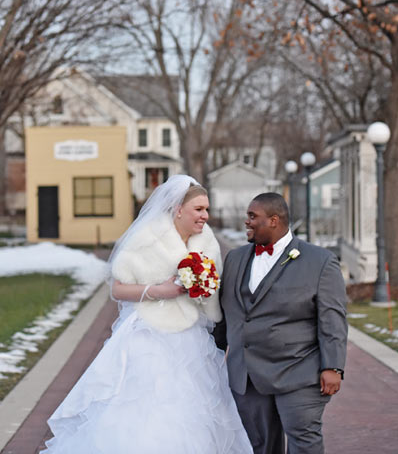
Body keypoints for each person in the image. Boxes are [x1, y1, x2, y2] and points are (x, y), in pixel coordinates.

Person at [43, 175, 252, 454]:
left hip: (191, 338)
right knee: (148, 408)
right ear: (178, 208)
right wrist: (159, 290)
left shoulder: (207, 242)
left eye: (207, 209)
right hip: (150, 337)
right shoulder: (147, 238)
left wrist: (203, 290)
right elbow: (118, 288)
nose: (205, 216)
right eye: (199, 209)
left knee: (191, 410)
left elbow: (212, 291)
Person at [214, 193, 347, 454]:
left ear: (274, 220)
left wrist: (333, 366)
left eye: (253, 217)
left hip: (299, 371)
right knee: (259, 445)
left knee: (303, 442)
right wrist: (210, 352)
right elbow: (226, 313)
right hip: (247, 376)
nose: (247, 222)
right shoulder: (235, 258)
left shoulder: (320, 261)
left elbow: (332, 318)